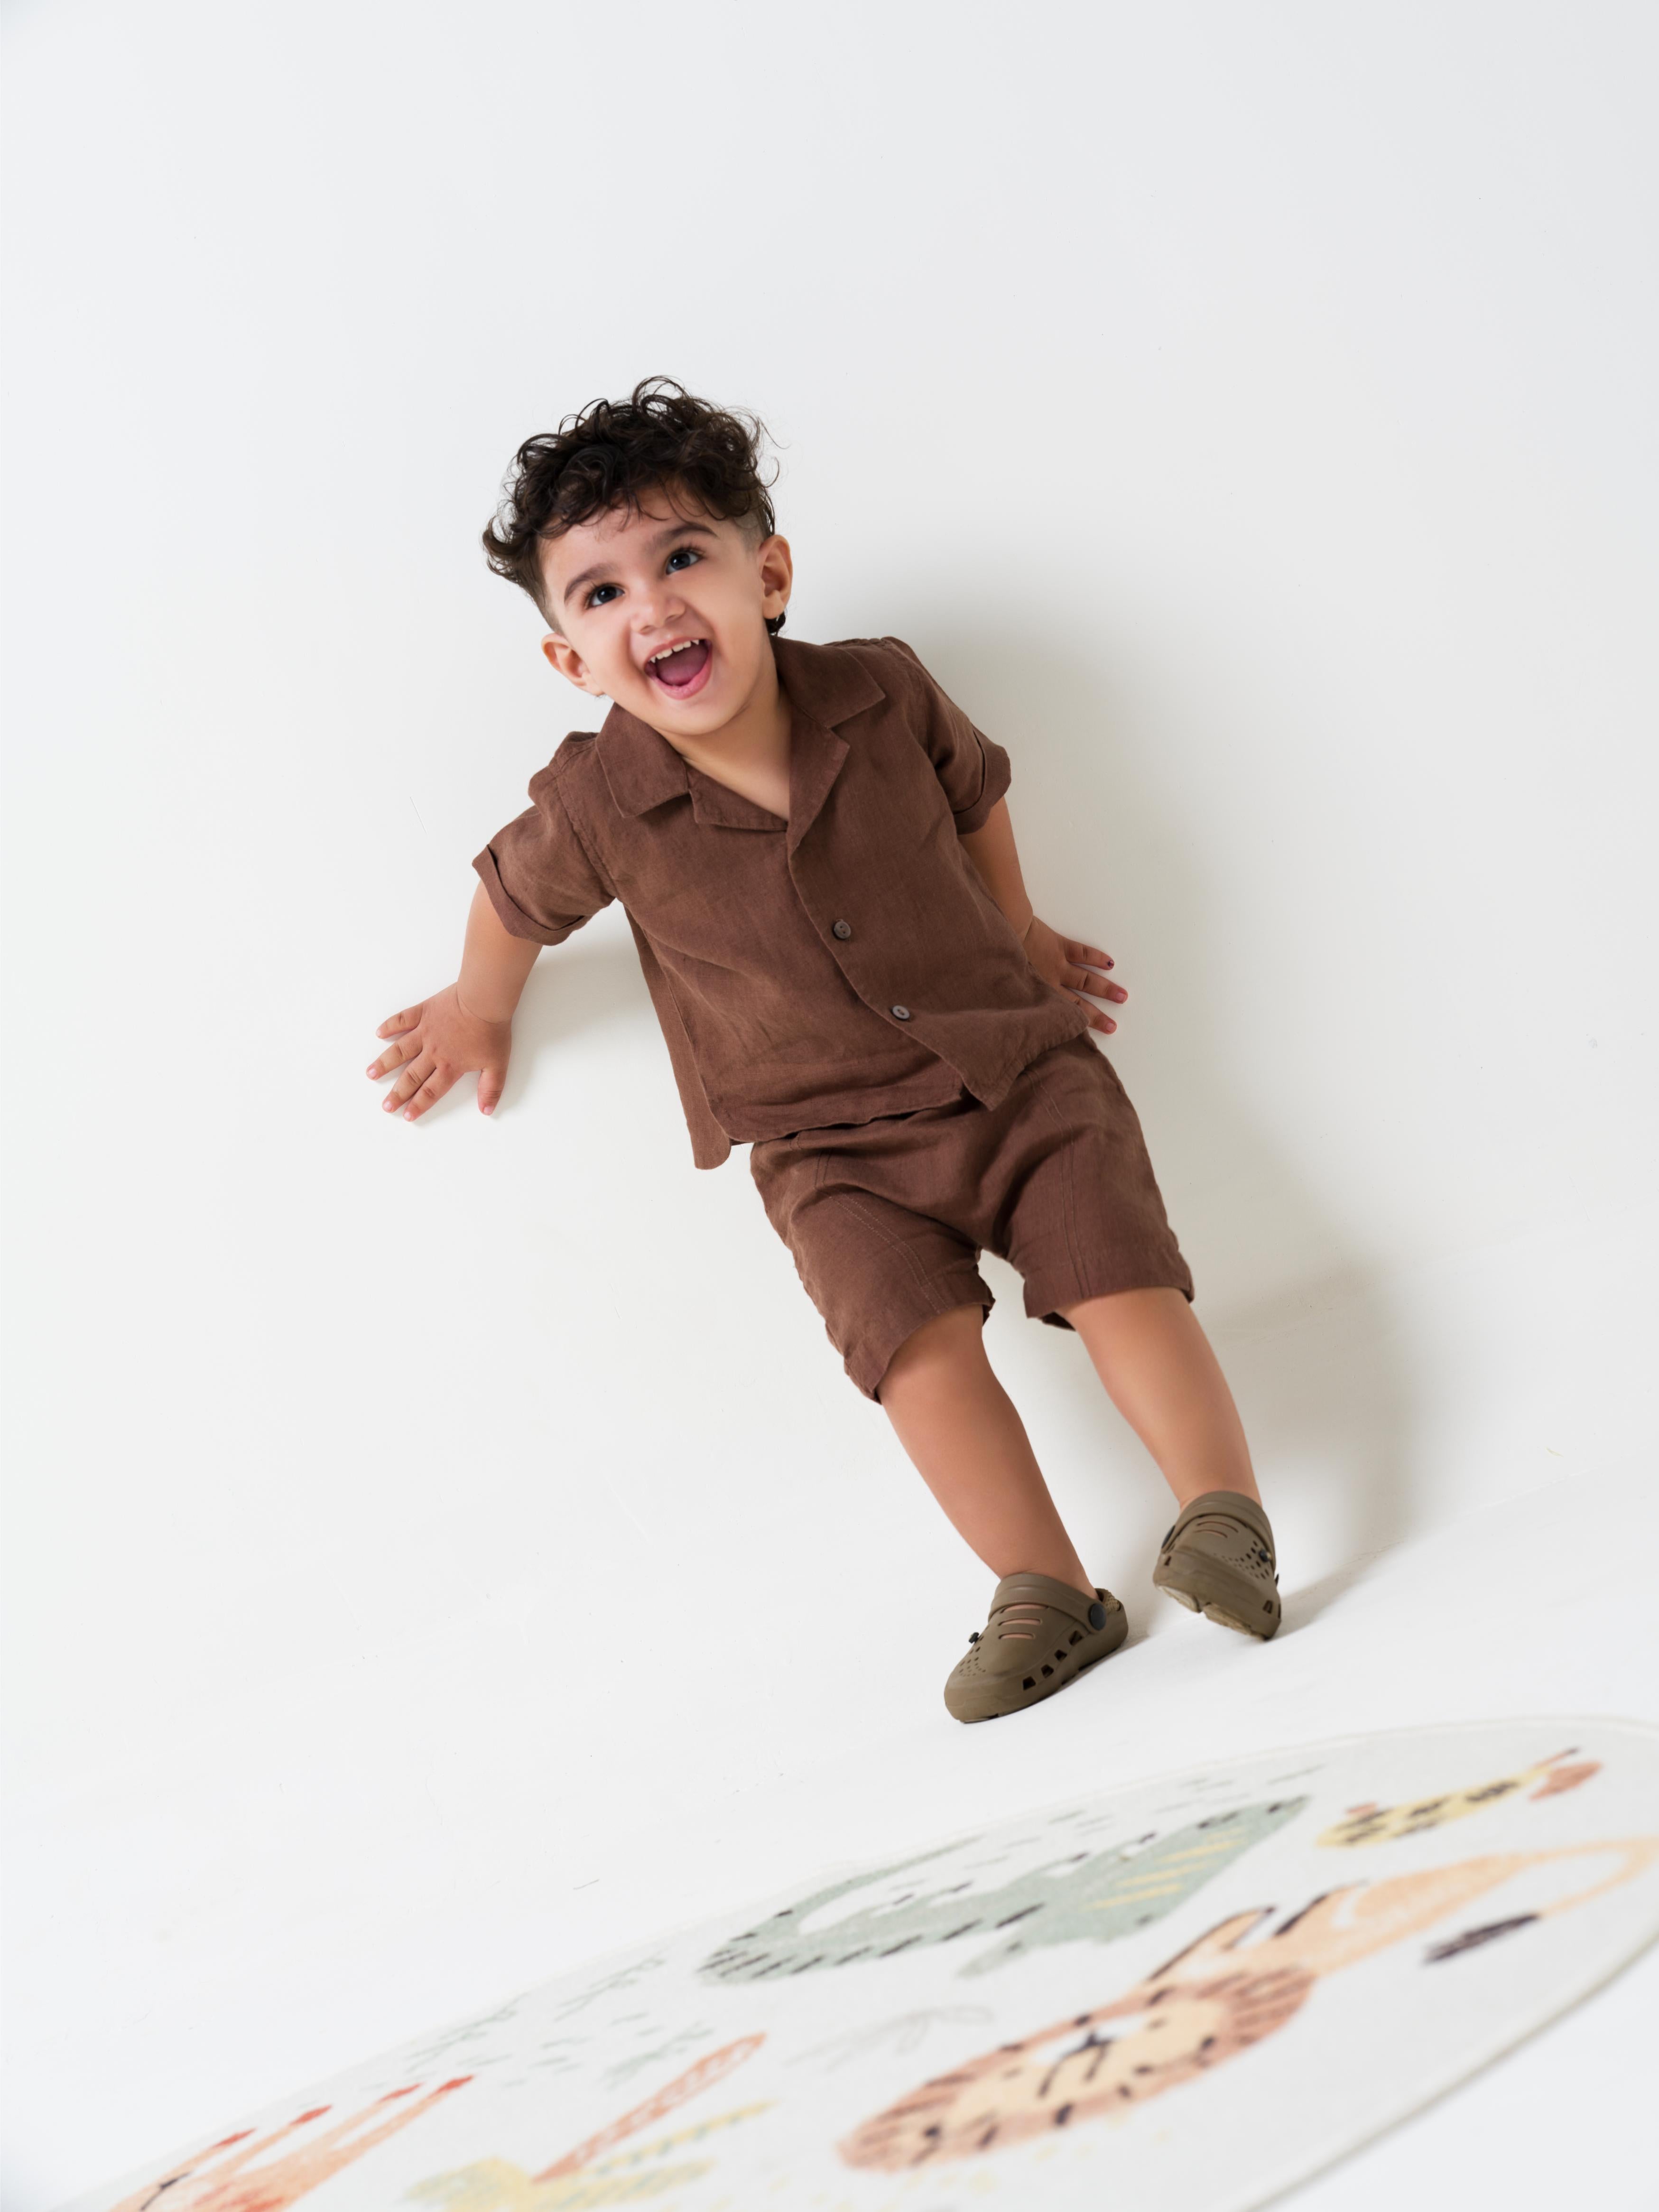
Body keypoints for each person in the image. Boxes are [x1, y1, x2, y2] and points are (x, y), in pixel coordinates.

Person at [366, 379, 1281, 1721]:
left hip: (1017, 1074)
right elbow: (513, 902)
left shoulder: (880, 690)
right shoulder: (596, 801)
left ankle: (1223, 1514)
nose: (654, 608)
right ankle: (1045, 1589)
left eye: (684, 558)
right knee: (915, 1357)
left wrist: (1017, 930)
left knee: (1118, 1279)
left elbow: (977, 795)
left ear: (769, 576)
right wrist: (476, 1006)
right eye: (603, 594)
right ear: (572, 660)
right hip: (826, 1151)